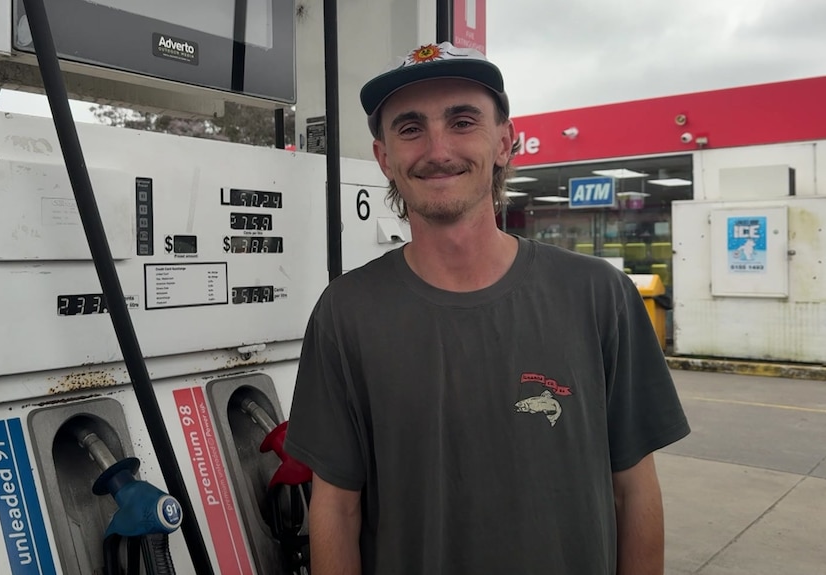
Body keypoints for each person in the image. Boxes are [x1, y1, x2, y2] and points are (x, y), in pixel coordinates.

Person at [284, 41, 690, 575]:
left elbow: (634, 491)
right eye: (410, 128)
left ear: (504, 142)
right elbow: (336, 508)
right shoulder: (346, 314)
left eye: (462, 121)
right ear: (384, 157)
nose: (437, 148)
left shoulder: (599, 296)